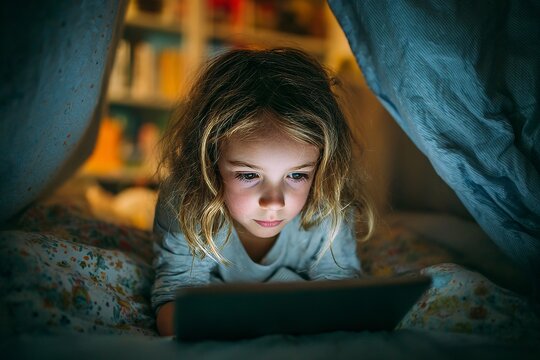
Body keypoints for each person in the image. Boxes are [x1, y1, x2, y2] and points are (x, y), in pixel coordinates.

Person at [151, 47, 375, 336]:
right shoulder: (186, 199)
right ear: (209, 163)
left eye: (297, 175)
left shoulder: (327, 202)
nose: (274, 201)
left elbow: (341, 293)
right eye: (248, 175)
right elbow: (173, 301)